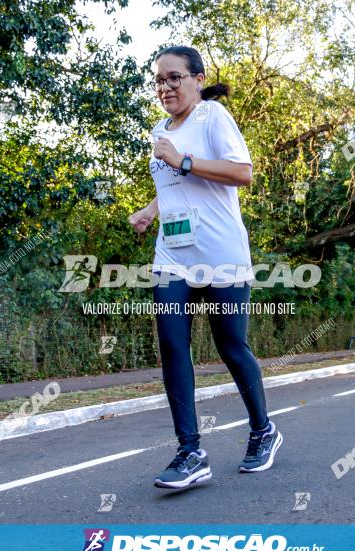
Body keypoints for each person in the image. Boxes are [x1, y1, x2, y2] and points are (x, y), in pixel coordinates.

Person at [128, 46, 282, 490]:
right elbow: (174, 186)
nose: (165, 87)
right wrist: (149, 211)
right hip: (173, 255)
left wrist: (185, 160)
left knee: (231, 347)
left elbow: (242, 173)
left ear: (197, 78)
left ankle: (263, 431)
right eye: (159, 80)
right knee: (173, 346)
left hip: (220, 254)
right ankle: (190, 451)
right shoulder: (160, 129)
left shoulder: (213, 116)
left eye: (174, 78)